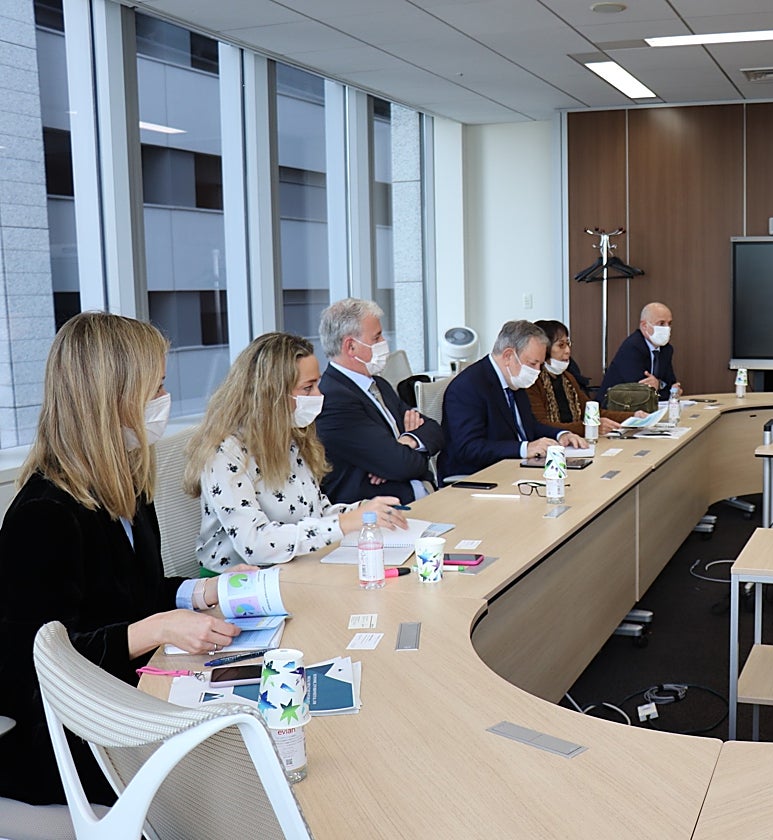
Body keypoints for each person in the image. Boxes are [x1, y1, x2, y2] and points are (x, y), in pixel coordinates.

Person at [0, 312, 247, 806]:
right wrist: (157, 629)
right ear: (110, 399)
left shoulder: (126, 488)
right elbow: (38, 662)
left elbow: (131, 597)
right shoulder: (44, 514)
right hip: (78, 734)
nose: (164, 400)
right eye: (155, 389)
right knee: (234, 773)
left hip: (132, 699)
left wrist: (203, 591)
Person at [185, 332, 407, 573]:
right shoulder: (225, 453)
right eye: (308, 388)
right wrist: (344, 523)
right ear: (272, 395)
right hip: (238, 581)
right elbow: (255, 544)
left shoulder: (291, 435)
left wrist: (364, 511)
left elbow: (316, 514)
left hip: (292, 567)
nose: (320, 395)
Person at [316, 298, 444, 505]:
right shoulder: (334, 399)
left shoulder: (379, 384)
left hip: (424, 497)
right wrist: (401, 457)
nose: (384, 342)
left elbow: (434, 430)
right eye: (376, 338)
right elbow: (401, 465)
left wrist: (406, 442)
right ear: (351, 347)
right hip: (384, 511)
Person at [440, 320, 587, 479]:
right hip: (477, 477)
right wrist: (524, 448)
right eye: (533, 363)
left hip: (517, 469)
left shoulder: (513, 379)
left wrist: (561, 435)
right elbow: (469, 448)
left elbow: (529, 426)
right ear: (508, 356)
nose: (537, 371)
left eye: (540, 364)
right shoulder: (467, 387)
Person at [528, 319, 644, 436]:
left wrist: (634, 416)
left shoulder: (567, 378)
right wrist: (589, 427)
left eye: (568, 344)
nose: (567, 351)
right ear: (544, 349)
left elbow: (591, 413)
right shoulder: (533, 380)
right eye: (561, 345)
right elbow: (541, 425)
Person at [597, 301, 681, 406]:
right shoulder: (632, 347)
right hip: (615, 408)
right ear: (644, 326)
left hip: (648, 407)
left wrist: (662, 386)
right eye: (661, 323)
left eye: (669, 323)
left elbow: (671, 385)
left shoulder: (666, 350)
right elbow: (642, 392)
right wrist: (662, 387)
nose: (667, 328)